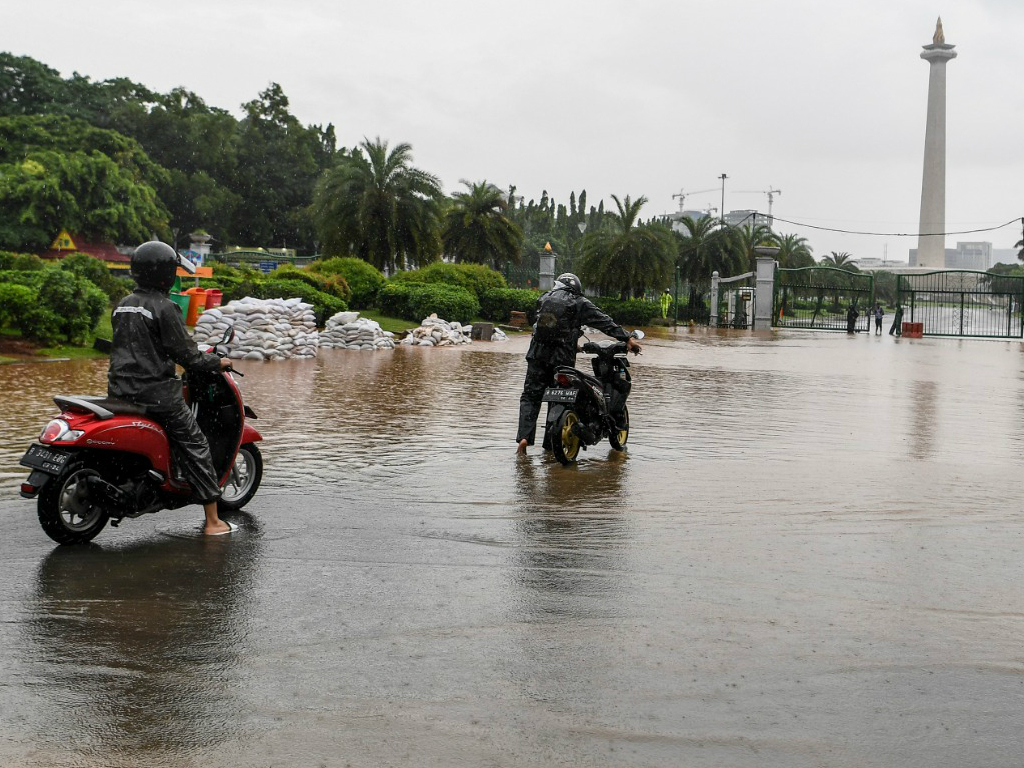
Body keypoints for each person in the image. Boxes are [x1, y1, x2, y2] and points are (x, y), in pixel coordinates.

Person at [107, 241, 237, 535]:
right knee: (196, 443)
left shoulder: (123, 304)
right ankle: (214, 522)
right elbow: (187, 356)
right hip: (156, 395)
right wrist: (218, 363)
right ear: (165, 274)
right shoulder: (166, 308)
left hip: (118, 391)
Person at [516, 273, 640, 454]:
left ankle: (525, 438)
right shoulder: (579, 302)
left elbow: (537, 325)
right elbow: (603, 321)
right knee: (558, 397)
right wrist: (627, 338)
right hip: (562, 358)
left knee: (530, 396)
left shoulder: (544, 298)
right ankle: (551, 445)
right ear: (576, 288)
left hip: (537, 355)